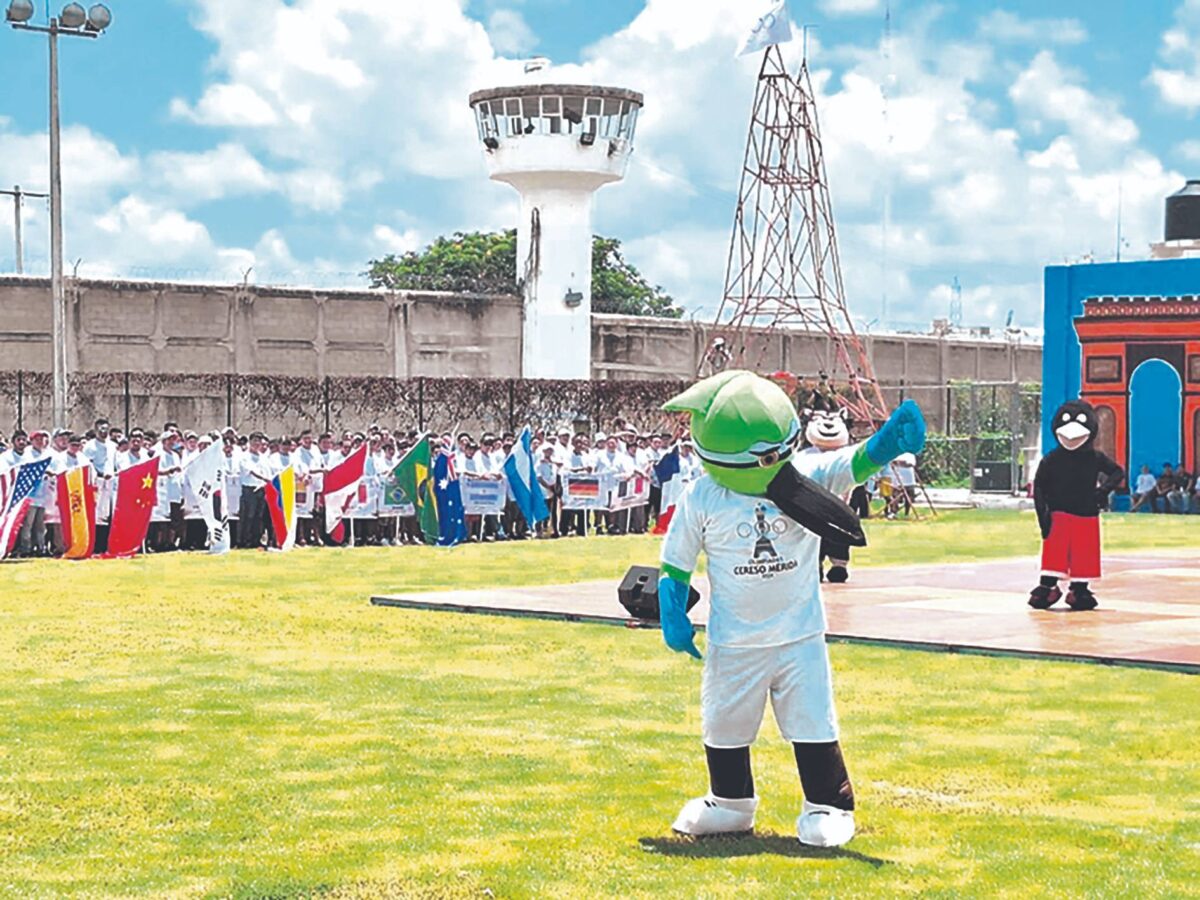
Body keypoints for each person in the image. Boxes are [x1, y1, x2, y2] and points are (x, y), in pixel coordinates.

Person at [535, 443, 560, 538]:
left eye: (550, 450)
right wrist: (548, 486)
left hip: (552, 490)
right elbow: (539, 477)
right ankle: (539, 531)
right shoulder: (539, 463)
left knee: (552, 512)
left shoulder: (553, 464)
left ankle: (553, 530)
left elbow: (555, 475)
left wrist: (554, 487)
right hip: (542, 490)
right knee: (541, 511)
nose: (548, 452)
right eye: (547, 450)